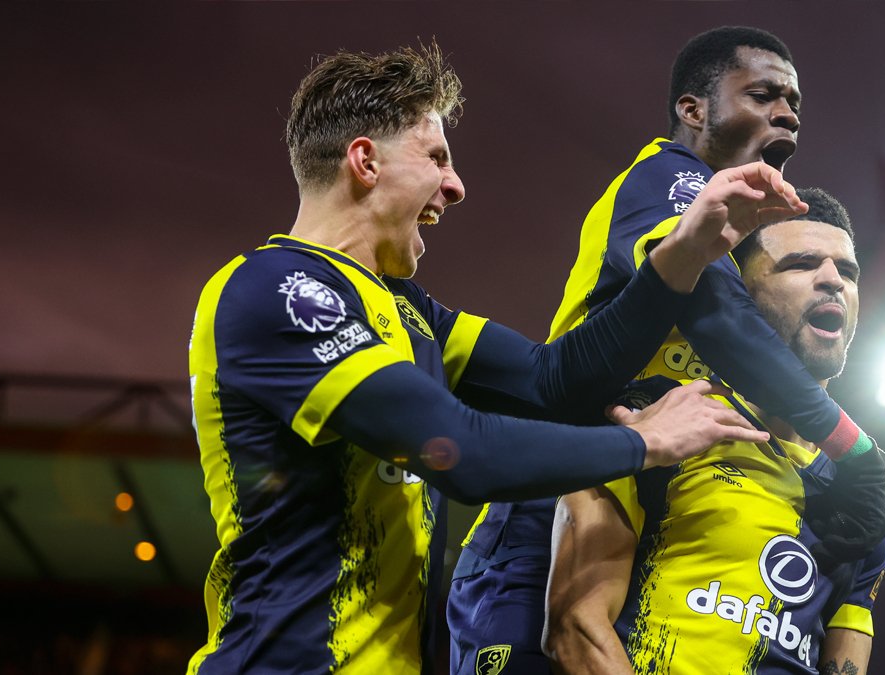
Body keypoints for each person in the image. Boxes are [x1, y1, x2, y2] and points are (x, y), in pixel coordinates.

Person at [185, 44, 809, 674]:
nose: (455, 186)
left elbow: (555, 382)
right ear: (365, 161)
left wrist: (682, 256)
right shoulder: (276, 288)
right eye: (436, 158)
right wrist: (644, 443)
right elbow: (460, 453)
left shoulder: (410, 312)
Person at [448, 26, 885, 675]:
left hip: (623, 482)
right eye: (763, 94)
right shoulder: (668, 177)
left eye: (794, 100)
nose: (788, 112)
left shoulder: (731, 225)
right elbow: (716, 312)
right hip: (547, 504)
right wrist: (852, 446)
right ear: (693, 109)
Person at [544, 188, 885, 674]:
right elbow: (576, 629)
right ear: (740, 291)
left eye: (848, 272)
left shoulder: (859, 500)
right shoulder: (659, 418)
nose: (833, 280)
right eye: (801, 264)